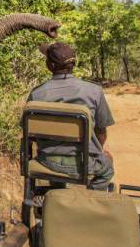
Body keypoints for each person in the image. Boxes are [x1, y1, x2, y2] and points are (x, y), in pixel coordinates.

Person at [27, 42, 115, 191]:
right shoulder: (94, 91)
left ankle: (58, 195)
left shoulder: (37, 94)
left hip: (49, 161)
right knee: (107, 169)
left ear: (52, 66)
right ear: (73, 64)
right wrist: (98, 151)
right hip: (85, 162)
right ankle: (93, 200)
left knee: (55, 172)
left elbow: (31, 135)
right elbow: (101, 132)